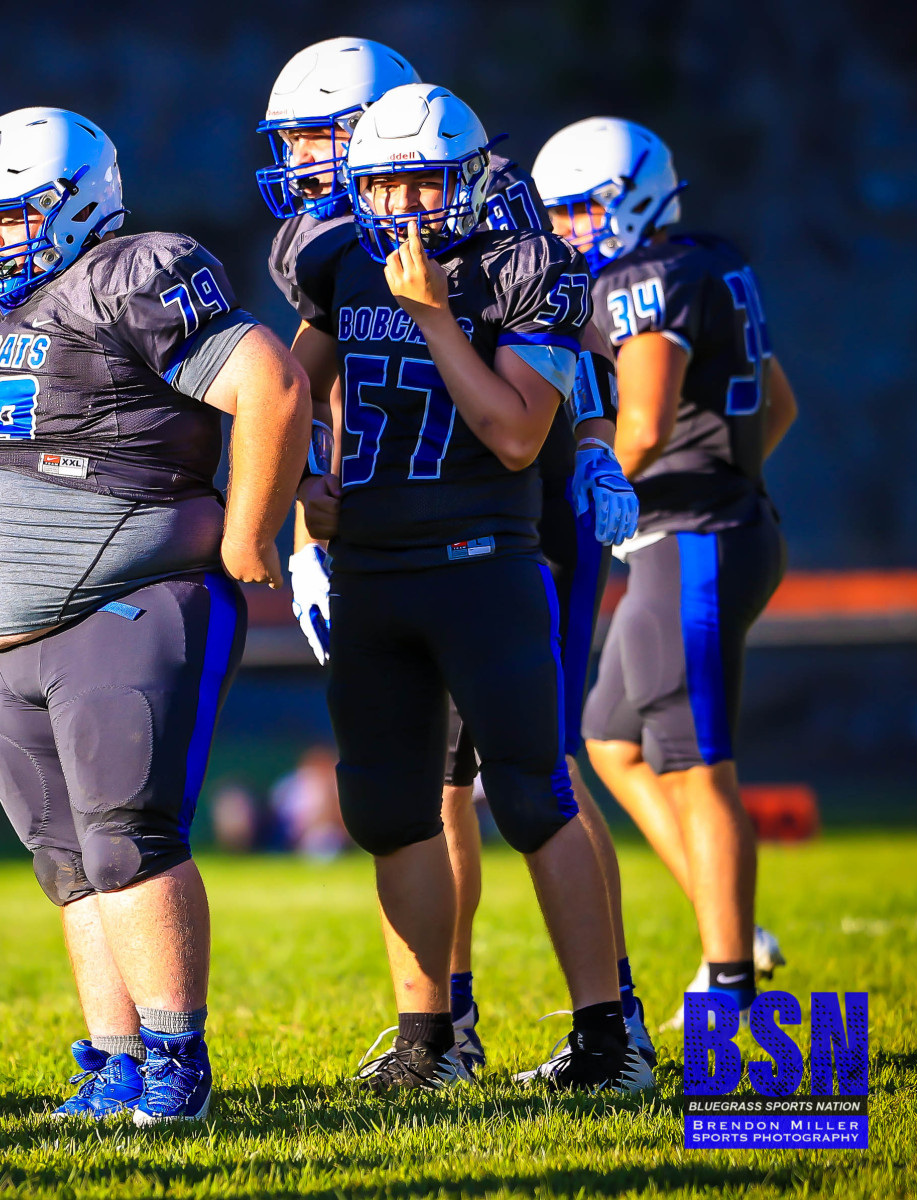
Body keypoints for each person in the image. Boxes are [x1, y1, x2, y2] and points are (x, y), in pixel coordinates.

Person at [259, 38, 652, 1075]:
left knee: (532, 783)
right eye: (371, 176)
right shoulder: (333, 254)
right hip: (379, 556)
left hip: (497, 537)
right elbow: (287, 395)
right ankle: (434, 1032)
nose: (304, 164)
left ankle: (609, 1028)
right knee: (398, 802)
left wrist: (595, 443)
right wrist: (298, 507)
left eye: (319, 139)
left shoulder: (515, 251)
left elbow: (528, 417)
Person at [0, 107, 309, 1123]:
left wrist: (251, 531)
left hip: (127, 601)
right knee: (65, 862)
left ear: (77, 203)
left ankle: (177, 1063)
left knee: (124, 840)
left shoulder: (132, 273)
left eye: (14, 216)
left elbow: (272, 385)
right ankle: (114, 1063)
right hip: (15, 636)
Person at [532, 117, 797, 1028]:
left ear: (636, 194)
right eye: (557, 211)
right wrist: (731, 477)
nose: (567, 228)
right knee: (613, 740)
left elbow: (640, 426)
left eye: (581, 208)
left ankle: (729, 984)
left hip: (691, 538)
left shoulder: (643, 277)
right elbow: (779, 404)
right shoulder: (708, 257)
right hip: (709, 528)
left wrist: (585, 495)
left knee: (694, 766)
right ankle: (737, 930)